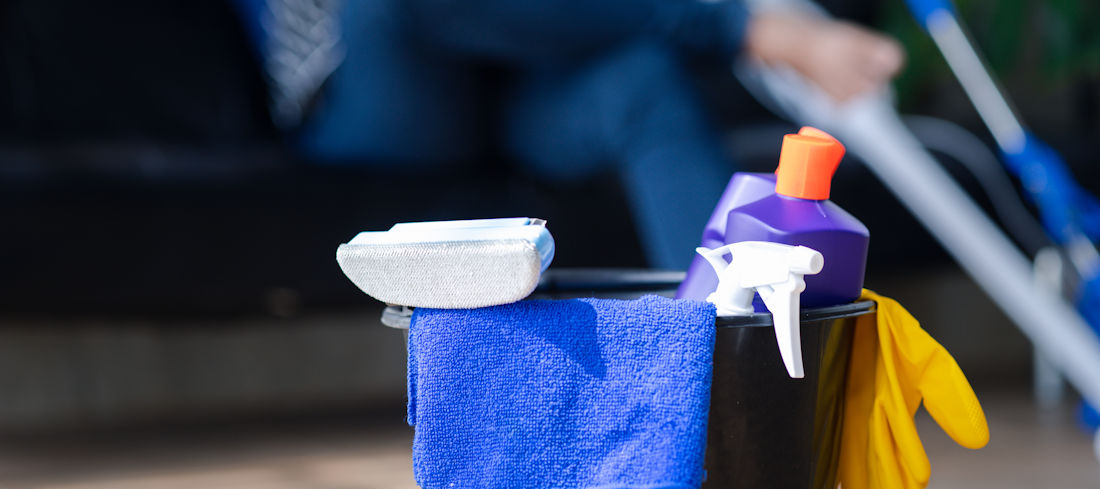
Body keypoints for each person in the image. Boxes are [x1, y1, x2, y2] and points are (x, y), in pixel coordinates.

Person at [237, 0, 904, 269]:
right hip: (369, 85)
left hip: (518, 74)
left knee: (640, 82)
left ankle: (731, 355)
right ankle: (751, 32)